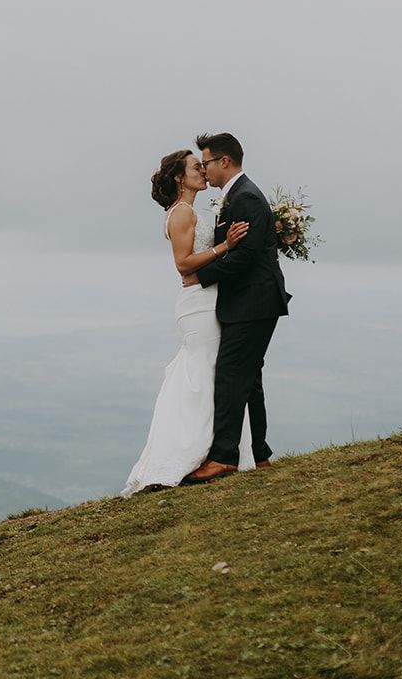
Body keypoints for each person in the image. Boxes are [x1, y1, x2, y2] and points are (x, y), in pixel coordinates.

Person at [122, 149, 251, 497]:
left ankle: (215, 452)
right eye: (196, 167)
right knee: (202, 372)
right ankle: (187, 455)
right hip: (198, 304)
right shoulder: (181, 213)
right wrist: (226, 246)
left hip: (210, 299)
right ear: (180, 177)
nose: (203, 172)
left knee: (210, 371)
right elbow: (183, 264)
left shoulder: (193, 211)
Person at [181, 131, 291, 485]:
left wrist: (202, 276)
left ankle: (224, 457)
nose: (204, 169)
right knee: (249, 380)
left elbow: (244, 257)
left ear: (223, 161)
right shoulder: (238, 197)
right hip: (252, 302)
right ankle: (259, 455)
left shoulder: (246, 199)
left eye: (206, 163)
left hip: (253, 302)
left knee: (230, 375)